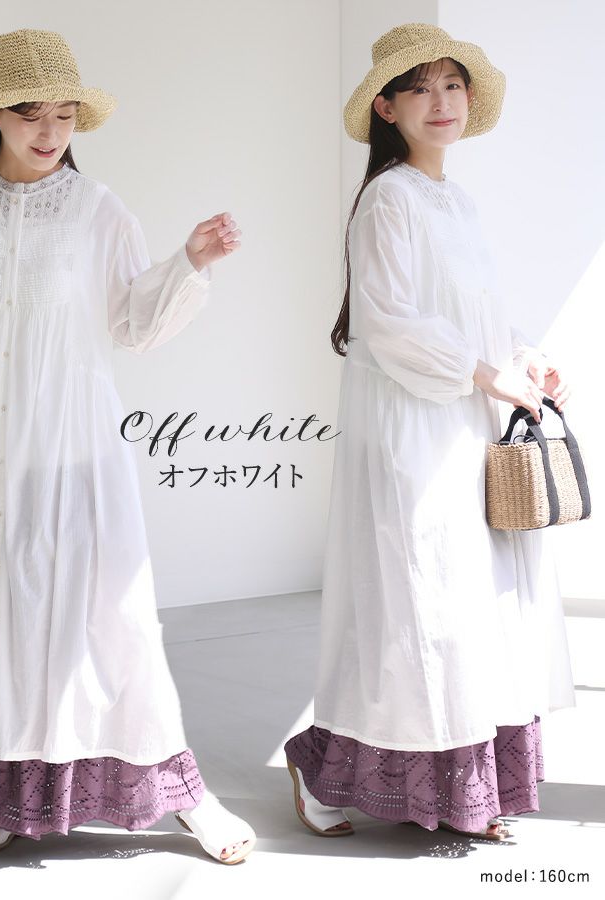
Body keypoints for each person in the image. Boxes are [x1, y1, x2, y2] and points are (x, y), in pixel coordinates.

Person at [0, 28, 255, 864]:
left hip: (65, 454)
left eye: (66, 115)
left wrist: (190, 262)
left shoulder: (97, 209)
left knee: (108, 627)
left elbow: (133, 325)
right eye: (33, 113)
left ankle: (181, 794)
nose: (52, 130)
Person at [283, 23, 575, 842]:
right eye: (419, 88)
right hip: (412, 429)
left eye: (452, 85)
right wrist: (486, 374)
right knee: (417, 607)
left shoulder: (454, 200)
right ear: (387, 107)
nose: (440, 101)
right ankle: (322, 767)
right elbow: (386, 323)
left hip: (461, 421)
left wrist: (525, 357)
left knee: (464, 608)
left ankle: (457, 794)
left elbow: (472, 313)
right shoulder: (390, 198)